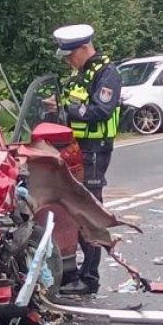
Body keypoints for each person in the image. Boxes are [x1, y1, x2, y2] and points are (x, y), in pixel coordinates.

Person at [45, 24, 122, 296]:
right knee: (73, 209)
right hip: (77, 148)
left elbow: (100, 110)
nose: (67, 60)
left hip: (95, 150)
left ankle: (89, 278)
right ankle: (73, 272)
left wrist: (66, 108)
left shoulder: (106, 74)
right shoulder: (80, 75)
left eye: (70, 55)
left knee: (88, 212)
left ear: (83, 48)